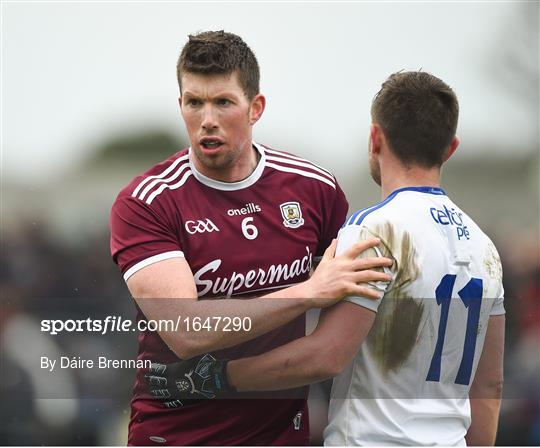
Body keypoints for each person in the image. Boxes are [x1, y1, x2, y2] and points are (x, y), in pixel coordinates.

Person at [147, 71, 505, 446]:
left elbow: (324, 356)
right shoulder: (484, 247)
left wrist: (216, 377)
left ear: (375, 138)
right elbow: (490, 384)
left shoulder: (375, 230)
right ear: (451, 148)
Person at [109, 30, 392, 446]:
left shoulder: (315, 190)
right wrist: (307, 293)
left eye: (223, 102)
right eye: (194, 102)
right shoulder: (147, 202)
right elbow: (185, 331)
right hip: (176, 436)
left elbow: (340, 330)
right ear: (181, 105)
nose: (207, 118)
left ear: (255, 107)